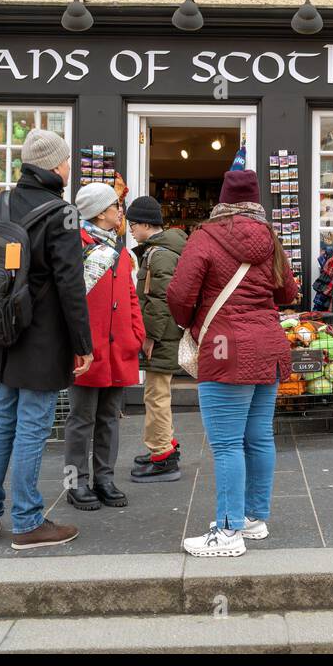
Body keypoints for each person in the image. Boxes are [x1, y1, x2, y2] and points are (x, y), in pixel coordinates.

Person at [167, 147, 298, 558]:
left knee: (226, 445)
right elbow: (289, 293)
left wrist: (192, 322)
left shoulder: (204, 238)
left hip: (226, 350)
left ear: (221, 203)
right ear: (257, 203)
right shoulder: (271, 241)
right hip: (269, 345)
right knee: (258, 436)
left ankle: (227, 532)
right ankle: (253, 518)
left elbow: (179, 295)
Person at [0, 128, 92, 550]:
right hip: (42, 336)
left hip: (2, 329)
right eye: (65, 161)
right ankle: (26, 520)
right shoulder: (61, 212)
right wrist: (83, 344)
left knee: (2, 419)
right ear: (55, 165)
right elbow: (70, 284)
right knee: (33, 426)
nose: (68, 168)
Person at [63, 182, 144, 510]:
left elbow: (129, 296)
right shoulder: (75, 247)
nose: (120, 211)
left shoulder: (120, 251)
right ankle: (75, 482)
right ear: (99, 212)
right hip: (87, 349)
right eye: (115, 206)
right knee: (81, 419)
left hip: (117, 347)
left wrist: (135, 334)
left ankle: (104, 478)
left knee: (109, 416)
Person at [128, 195, 188, 483]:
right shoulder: (162, 250)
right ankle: (163, 447)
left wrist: (149, 336)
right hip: (166, 333)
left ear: (145, 224)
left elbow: (158, 300)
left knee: (156, 394)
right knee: (158, 393)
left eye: (133, 224)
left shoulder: (159, 254)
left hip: (161, 336)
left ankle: (162, 455)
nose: (130, 229)